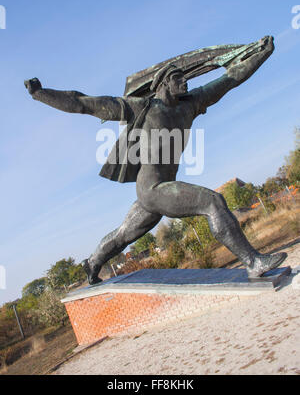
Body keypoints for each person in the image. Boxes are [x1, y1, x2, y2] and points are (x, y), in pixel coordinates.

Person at [24, 35, 286, 284]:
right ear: (163, 84)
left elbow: (230, 78)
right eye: (178, 79)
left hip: (155, 193)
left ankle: (92, 263)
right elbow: (84, 103)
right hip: (152, 188)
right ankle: (253, 263)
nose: (185, 83)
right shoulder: (142, 107)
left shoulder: (190, 105)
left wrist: (261, 54)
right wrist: (41, 93)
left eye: (184, 79)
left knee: (124, 234)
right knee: (213, 201)